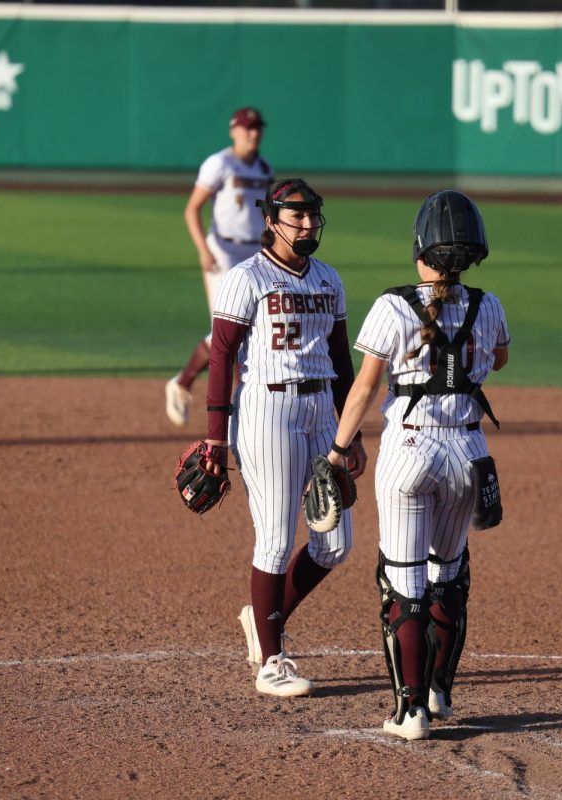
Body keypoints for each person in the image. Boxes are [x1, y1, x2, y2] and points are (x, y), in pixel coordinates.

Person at [324, 190, 510, 740]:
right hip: (468, 454)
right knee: (448, 578)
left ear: (419, 245)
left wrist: (337, 451)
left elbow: (363, 387)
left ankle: (410, 713)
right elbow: (499, 357)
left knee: (401, 584)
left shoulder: (392, 306)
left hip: (409, 452)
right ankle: (440, 692)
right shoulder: (489, 304)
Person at [201, 178, 367, 697]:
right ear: (271, 221)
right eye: (297, 216)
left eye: (313, 215)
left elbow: (342, 363)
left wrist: (351, 432)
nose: (309, 224)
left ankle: (262, 616)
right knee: (275, 537)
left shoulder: (329, 279)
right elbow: (221, 357)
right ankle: (272, 661)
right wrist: (214, 439)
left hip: (322, 414)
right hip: (267, 411)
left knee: (335, 542)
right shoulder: (245, 278)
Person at [166, 106, 273, 426]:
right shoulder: (220, 163)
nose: (252, 133)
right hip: (223, 251)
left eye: (257, 128)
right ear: (233, 131)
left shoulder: (264, 169)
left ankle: (237, 399)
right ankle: (184, 384)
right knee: (227, 327)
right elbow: (191, 209)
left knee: (254, 326)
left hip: (256, 252)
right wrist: (203, 249)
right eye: (246, 128)